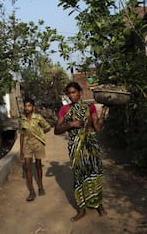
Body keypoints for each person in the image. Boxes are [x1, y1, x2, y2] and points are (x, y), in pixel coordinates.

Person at [54, 82, 108, 222]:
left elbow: (97, 128)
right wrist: (70, 124)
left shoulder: (89, 107)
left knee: (94, 175)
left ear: (80, 92)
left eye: (74, 92)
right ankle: (82, 209)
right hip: (75, 148)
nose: (72, 95)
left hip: (90, 147)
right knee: (79, 177)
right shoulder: (64, 110)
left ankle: (98, 204)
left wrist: (103, 114)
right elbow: (56, 130)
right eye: (69, 93)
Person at [19, 98, 51, 201]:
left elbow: (47, 127)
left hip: (37, 144)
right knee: (27, 166)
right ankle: (32, 191)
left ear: (33, 107)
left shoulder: (38, 118)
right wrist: (21, 150)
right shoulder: (22, 119)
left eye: (29, 106)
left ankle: (41, 186)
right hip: (27, 145)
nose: (27, 108)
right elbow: (21, 135)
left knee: (38, 165)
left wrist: (40, 135)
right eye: (25, 106)